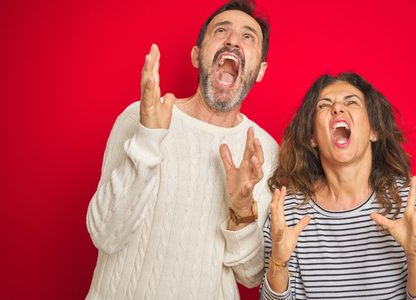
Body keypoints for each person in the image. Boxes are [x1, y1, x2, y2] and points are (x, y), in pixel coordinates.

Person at [85, 1, 278, 299]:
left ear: (261, 70)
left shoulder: (262, 150)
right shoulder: (140, 116)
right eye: (221, 30)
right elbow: (105, 233)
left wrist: (241, 210)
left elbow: (251, 275)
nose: (232, 40)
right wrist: (148, 139)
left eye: (248, 36)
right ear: (196, 55)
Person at [260, 73, 416, 299]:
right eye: (324, 105)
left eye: (351, 102)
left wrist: (415, 253)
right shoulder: (287, 210)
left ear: (374, 131)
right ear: (312, 138)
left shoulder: (411, 202)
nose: (338, 109)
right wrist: (278, 264)